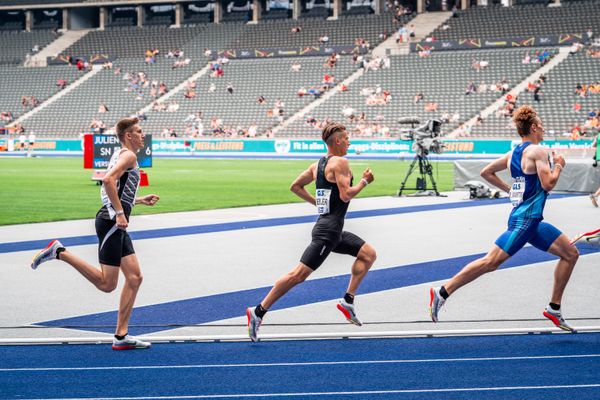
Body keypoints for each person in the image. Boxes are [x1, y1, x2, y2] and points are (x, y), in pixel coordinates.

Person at [429, 105, 579, 332]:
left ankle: (554, 308)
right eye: (542, 126)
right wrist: (558, 165)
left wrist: (509, 189)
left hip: (531, 221)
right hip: (525, 221)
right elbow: (548, 184)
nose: (544, 130)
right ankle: (442, 292)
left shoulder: (513, 154)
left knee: (570, 254)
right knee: (491, 262)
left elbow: (485, 172)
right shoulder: (539, 152)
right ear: (534, 127)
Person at [30, 118, 160, 350]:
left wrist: (138, 200)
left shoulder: (122, 155)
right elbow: (108, 180)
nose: (143, 136)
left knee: (134, 278)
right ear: (128, 135)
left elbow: (114, 188)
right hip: (112, 223)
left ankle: (121, 336)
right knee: (107, 284)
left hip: (114, 222)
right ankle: (59, 252)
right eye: (139, 132)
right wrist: (120, 214)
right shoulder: (128, 156)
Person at [246, 123, 377, 342]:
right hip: (327, 233)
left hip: (331, 229)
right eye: (346, 138)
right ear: (337, 141)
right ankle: (258, 311)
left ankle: (348, 300)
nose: (349, 142)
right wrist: (364, 181)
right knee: (299, 275)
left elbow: (295, 186)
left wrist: (316, 202)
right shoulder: (340, 162)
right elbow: (346, 196)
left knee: (368, 254)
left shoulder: (317, 165)